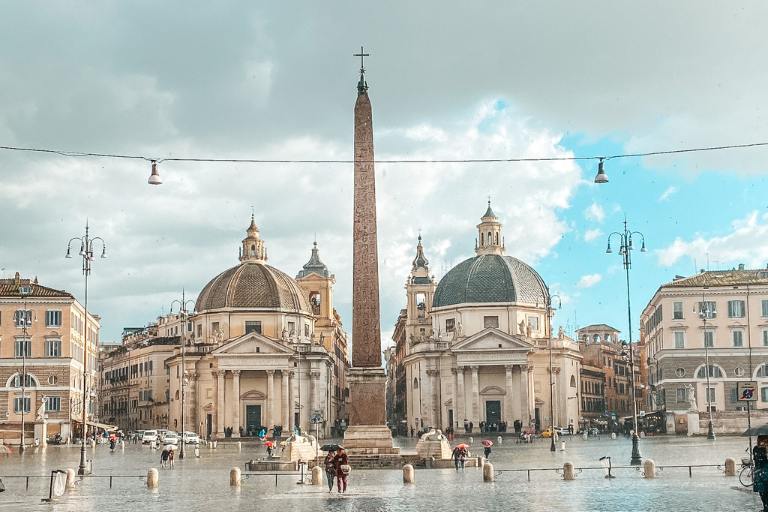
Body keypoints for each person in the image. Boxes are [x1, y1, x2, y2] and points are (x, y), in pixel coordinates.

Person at [754, 436, 768, 511]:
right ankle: (766, 507)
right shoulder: (761, 449)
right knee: (764, 492)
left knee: (762, 492)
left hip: (759, 473)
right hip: (764, 473)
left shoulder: (756, 448)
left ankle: (765, 507)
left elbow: (756, 461)